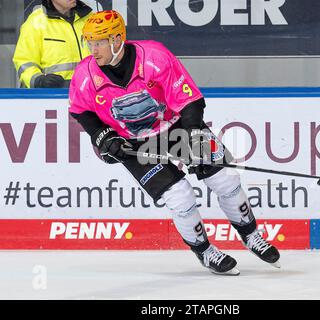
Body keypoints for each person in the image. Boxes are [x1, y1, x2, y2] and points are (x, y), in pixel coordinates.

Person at [69, 10, 280, 275]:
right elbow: (80, 111)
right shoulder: (85, 75)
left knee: (224, 178)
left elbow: (191, 99)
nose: (93, 49)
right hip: (133, 144)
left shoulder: (155, 57)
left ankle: (251, 236)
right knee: (179, 196)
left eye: (99, 42)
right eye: (90, 43)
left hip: (176, 126)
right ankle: (205, 252)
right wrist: (103, 138)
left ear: (117, 39)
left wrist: (193, 138)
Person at [13, 0, 92, 88]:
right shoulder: (36, 22)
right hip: (53, 95)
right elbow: (24, 61)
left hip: (90, 92)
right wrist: (39, 80)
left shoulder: (91, 19)